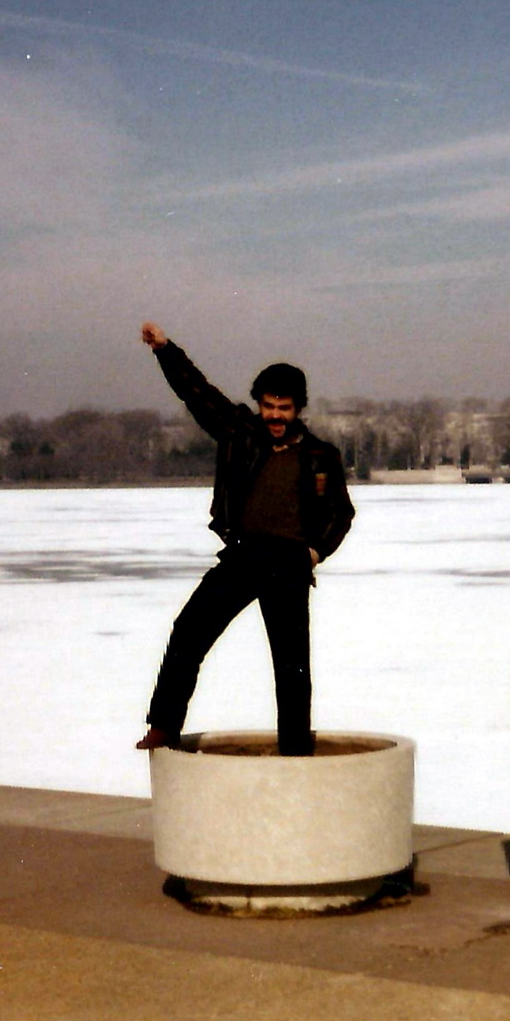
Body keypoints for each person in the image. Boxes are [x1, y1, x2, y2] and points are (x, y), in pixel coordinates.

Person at [134, 322, 354, 756]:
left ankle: (294, 749)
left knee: (291, 665)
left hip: (290, 561)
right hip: (243, 555)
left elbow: (340, 514)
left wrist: (315, 551)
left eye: (284, 408)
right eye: (268, 406)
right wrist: (164, 350)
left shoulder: (320, 455)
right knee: (188, 633)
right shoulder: (239, 433)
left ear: (298, 409)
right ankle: (163, 726)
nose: (275, 415)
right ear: (259, 404)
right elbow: (196, 393)